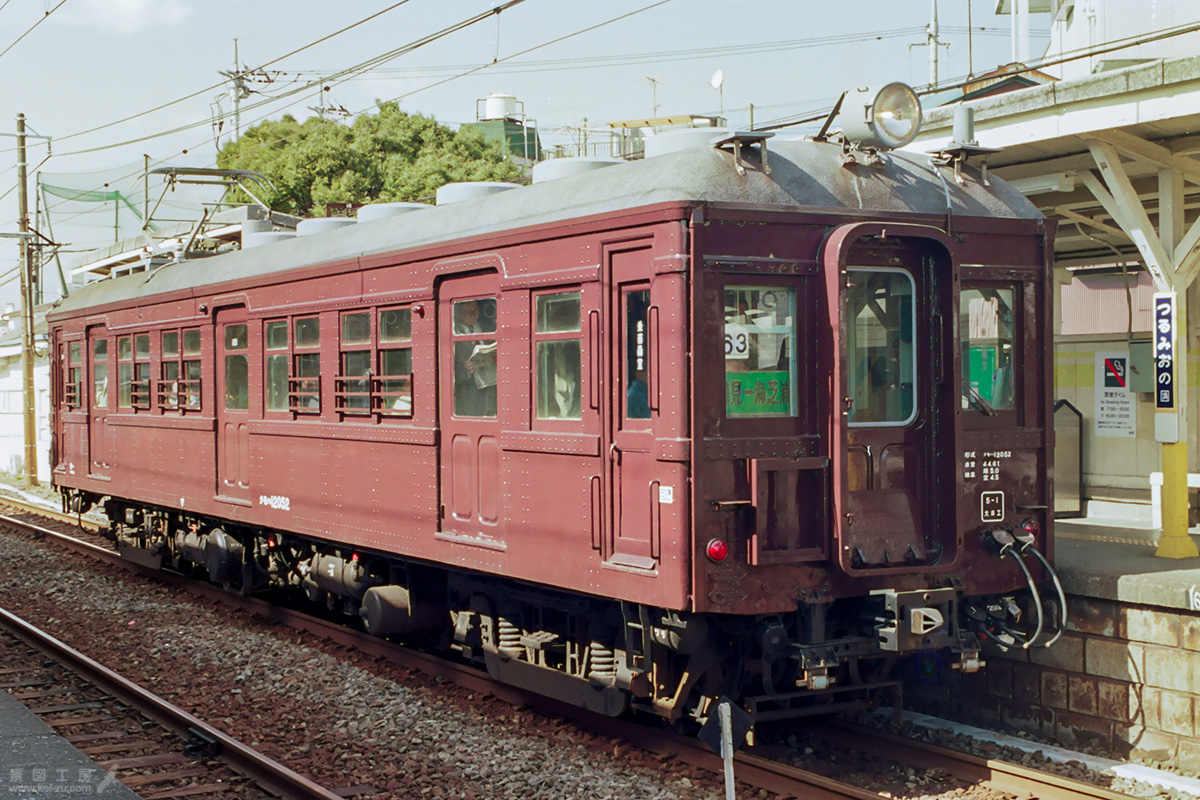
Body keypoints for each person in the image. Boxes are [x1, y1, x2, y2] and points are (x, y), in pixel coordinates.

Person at [453, 299, 497, 417]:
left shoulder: (488, 327)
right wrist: (464, 368)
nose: (473, 314)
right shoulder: (453, 331)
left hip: (491, 386)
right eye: (468, 312)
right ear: (457, 314)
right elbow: (446, 365)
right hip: (469, 391)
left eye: (475, 310)